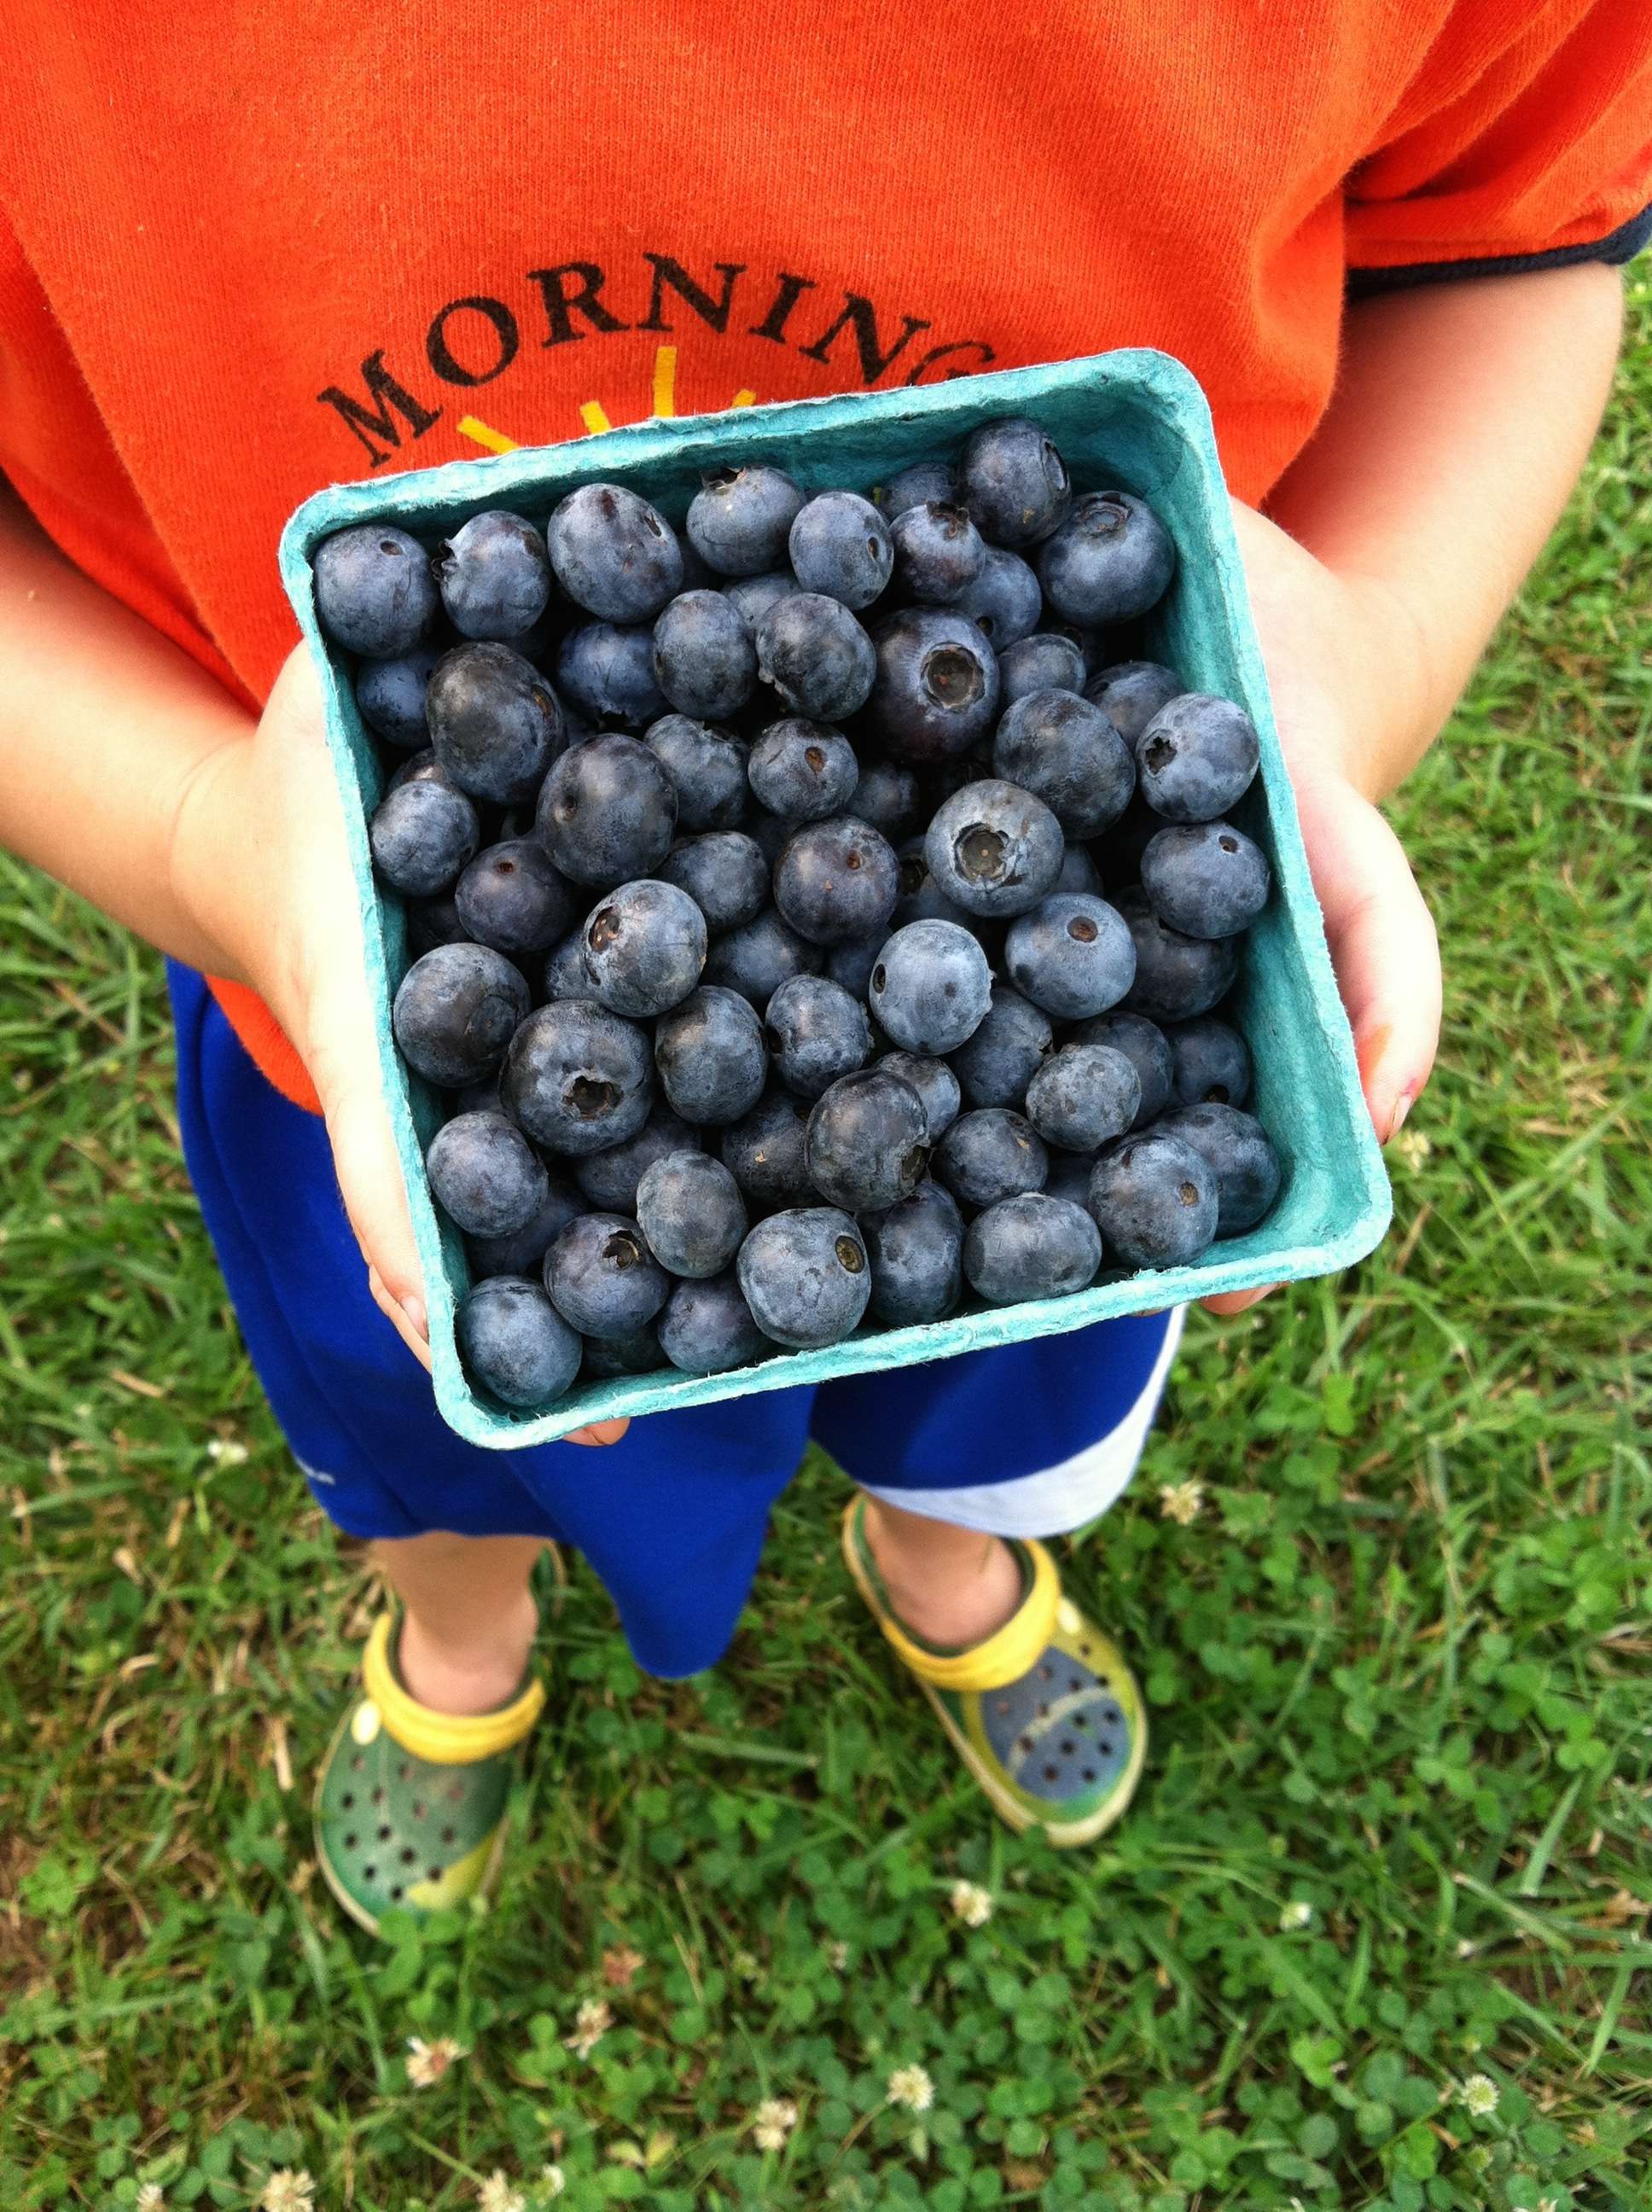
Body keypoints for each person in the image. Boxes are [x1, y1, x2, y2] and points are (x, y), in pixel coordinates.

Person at [1, 6, 1646, 1931]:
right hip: (322, 1022)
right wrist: (209, 835)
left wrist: (1351, 663)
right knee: (441, 1419)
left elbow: (1511, 231)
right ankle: (462, 1642)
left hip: (1009, 1145)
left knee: (1004, 1349)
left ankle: (948, 1567)